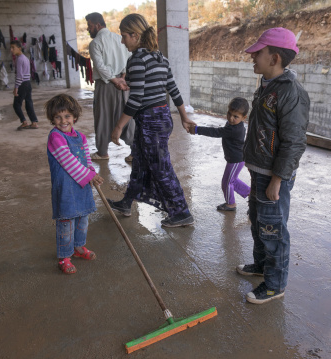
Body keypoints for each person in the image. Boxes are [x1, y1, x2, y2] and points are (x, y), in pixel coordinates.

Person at [236, 28, 310, 304]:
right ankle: (261, 266)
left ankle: (275, 285)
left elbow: (293, 142)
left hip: (273, 177)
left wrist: (278, 180)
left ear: (275, 57)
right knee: (258, 222)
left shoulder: (291, 93)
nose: (253, 57)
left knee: (273, 231)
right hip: (260, 171)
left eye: (258, 53)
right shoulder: (269, 85)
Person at [106, 13, 196, 228]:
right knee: (139, 161)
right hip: (162, 117)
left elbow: (136, 99)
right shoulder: (160, 57)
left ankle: (181, 212)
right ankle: (126, 202)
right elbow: (172, 89)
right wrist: (184, 116)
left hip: (150, 121)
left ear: (135, 35)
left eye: (124, 36)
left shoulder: (137, 59)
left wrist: (118, 126)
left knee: (161, 167)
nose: (122, 41)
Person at [45, 94, 104, 274]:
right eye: (58, 117)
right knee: (66, 223)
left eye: (67, 116)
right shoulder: (56, 137)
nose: (63, 121)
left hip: (81, 185)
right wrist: (89, 176)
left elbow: (86, 159)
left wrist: (93, 173)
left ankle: (78, 248)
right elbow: (68, 160)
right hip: (65, 189)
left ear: (74, 117)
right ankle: (64, 257)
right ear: (52, 119)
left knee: (82, 219)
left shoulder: (81, 137)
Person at [85, 12, 135, 161]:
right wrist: (123, 77)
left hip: (106, 84)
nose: (88, 29)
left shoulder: (95, 43)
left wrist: (115, 80)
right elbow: (129, 58)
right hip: (123, 84)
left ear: (98, 25)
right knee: (127, 116)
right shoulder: (119, 38)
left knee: (103, 117)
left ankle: (102, 152)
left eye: (89, 25)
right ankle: (135, 152)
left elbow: (100, 67)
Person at [189, 97, 250, 211]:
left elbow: (216, 132)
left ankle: (230, 204)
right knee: (232, 180)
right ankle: (251, 194)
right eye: (229, 113)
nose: (231, 118)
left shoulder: (234, 129)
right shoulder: (233, 125)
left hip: (236, 160)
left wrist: (197, 130)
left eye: (235, 116)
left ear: (244, 118)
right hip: (235, 159)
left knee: (226, 183)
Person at [11, 40, 39, 130]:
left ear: (19, 48)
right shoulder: (25, 58)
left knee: (16, 104)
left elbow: (20, 75)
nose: (11, 50)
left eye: (13, 48)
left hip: (22, 84)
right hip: (28, 83)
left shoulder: (19, 59)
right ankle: (34, 122)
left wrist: (16, 87)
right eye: (11, 48)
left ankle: (24, 122)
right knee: (28, 103)